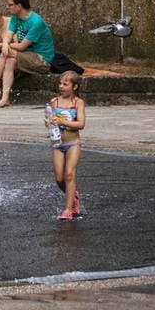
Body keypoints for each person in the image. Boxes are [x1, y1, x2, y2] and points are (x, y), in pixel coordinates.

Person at [0, 0, 54, 109]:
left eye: (10, 4)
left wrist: (4, 45)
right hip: (26, 55)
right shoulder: (15, 18)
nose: (8, 7)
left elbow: (22, 46)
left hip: (41, 60)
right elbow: (8, 35)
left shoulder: (36, 22)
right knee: (9, 60)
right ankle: (5, 98)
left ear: (19, 6)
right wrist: (5, 43)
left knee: (7, 53)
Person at [46, 72, 87, 221]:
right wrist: (49, 124)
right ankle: (73, 195)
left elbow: (81, 124)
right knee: (59, 178)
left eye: (65, 84)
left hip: (73, 144)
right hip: (58, 144)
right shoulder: (54, 102)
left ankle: (68, 209)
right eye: (60, 83)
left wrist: (63, 122)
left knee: (69, 174)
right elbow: (49, 120)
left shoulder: (78, 103)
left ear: (74, 87)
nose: (61, 86)